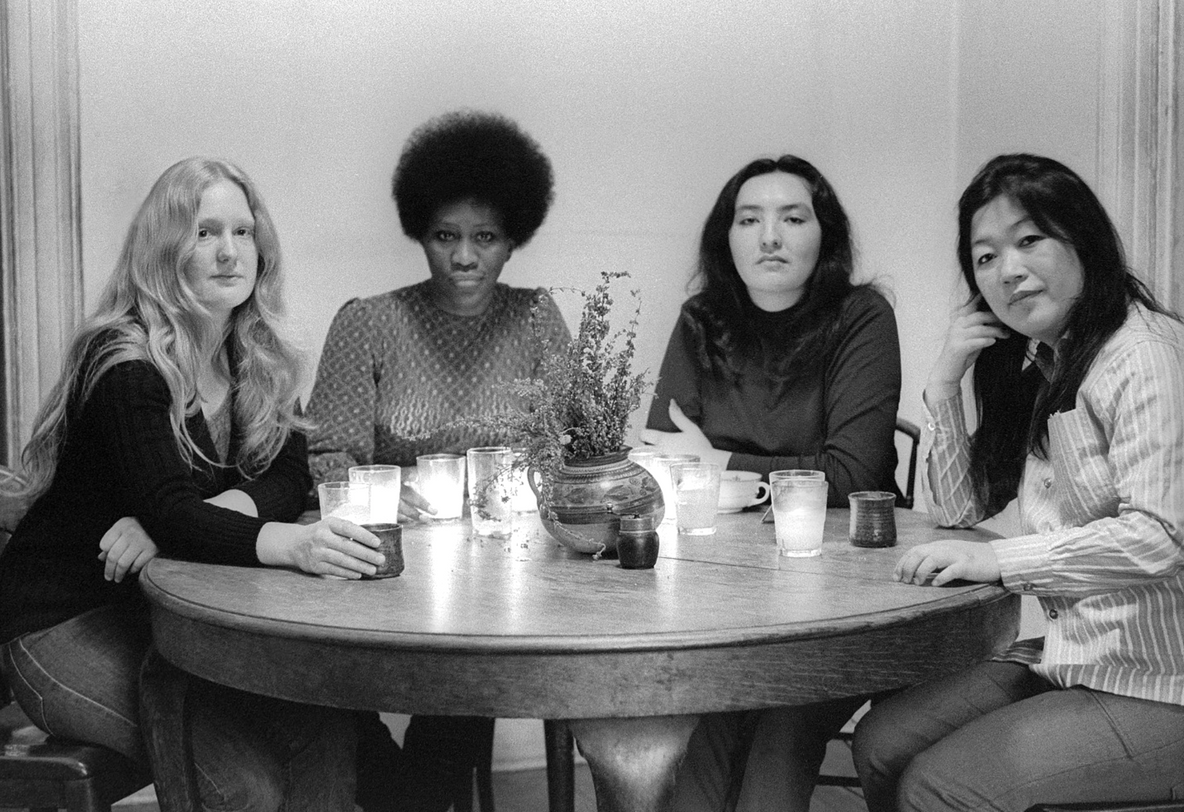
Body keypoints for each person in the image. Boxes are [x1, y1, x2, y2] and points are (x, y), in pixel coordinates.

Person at [0, 158, 384, 810]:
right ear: (165, 248)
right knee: (245, 789)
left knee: (326, 726)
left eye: (242, 231)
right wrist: (290, 545)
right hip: (57, 623)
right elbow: (175, 511)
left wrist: (192, 515)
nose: (229, 252)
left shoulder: (256, 358)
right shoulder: (125, 361)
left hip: (167, 619)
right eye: (204, 232)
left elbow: (288, 477)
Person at [851, 153, 1184, 811]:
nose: (1008, 269)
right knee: (882, 740)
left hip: (1161, 683)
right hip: (1077, 655)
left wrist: (1000, 560)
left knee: (938, 787)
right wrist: (947, 377)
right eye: (985, 257)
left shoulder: (1144, 357)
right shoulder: (1045, 361)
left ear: (1081, 239)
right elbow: (957, 507)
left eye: (1029, 239)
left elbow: (1160, 538)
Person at [305, 110, 570, 812]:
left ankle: (407, 799)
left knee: (474, 653)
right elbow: (328, 453)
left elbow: (570, 448)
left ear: (514, 238)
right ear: (420, 231)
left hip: (503, 571)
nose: (463, 257)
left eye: (485, 238)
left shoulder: (539, 318)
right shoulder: (368, 322)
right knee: (317, 681)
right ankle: (409, 795)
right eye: (446, 236)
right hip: (389, 568)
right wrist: (378, 498)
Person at [638, 155, 901, 812]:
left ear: (825, 234)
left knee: (777, 737)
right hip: (721, 595)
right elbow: (663, 462)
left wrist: (720, 463)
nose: (770, 237)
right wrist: (739, 471)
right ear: (726, 239)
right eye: (749, 219)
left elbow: (853, 478)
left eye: (793, 217)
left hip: (840, 598)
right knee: (705, 742)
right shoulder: (702, 320)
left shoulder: (862, 316)